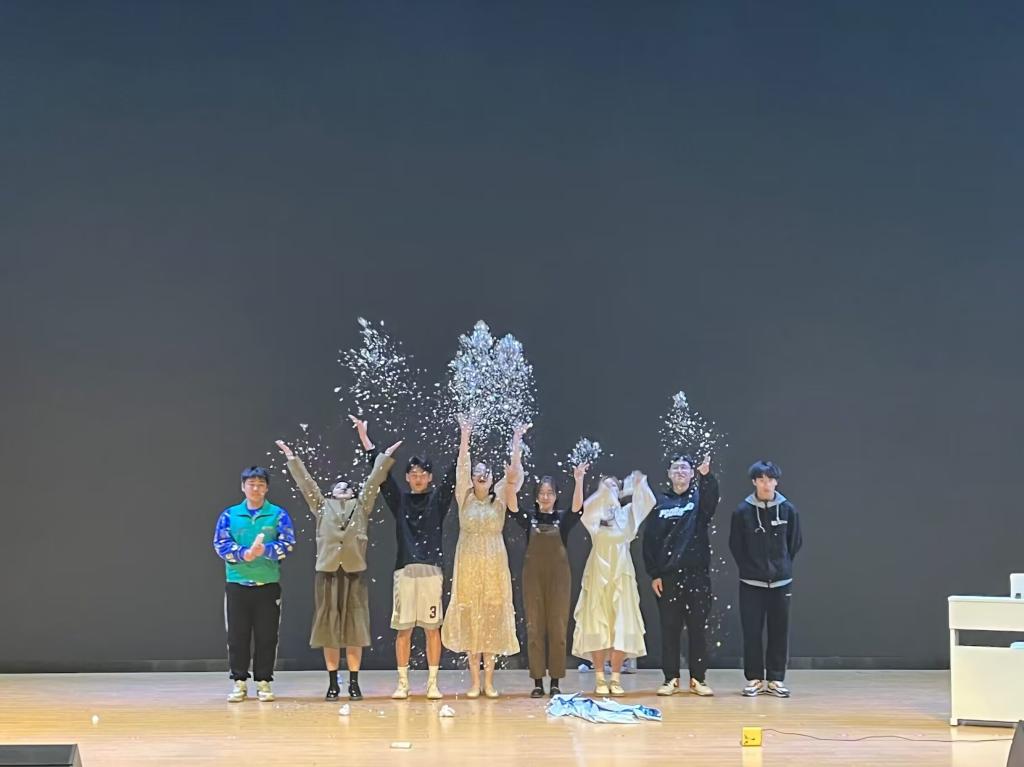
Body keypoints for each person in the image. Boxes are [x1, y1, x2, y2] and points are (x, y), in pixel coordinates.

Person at [276, 424, 401, 701]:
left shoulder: (362, 505)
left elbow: (373, 481)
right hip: (328, 572)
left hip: (355, 572)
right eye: (338, 485)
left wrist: (385, 456)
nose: (344, 486)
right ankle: (333, 682)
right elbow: (306, 485)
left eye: (348, 486)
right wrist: (292, 457)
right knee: (328, 626)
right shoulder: (322, 506)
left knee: (355, 626)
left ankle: (354, 682)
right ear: (332, 492)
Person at [354, 417, 457, 700]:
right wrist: (366, 441)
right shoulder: (400, 501)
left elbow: (453, 476)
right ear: (408, 477)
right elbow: (381, 478)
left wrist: (465, 438)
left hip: (432, 572)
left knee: (432, 629)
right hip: (405, 571)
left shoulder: (437, 500)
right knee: (403, 629)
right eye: (413, 473)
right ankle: (403, 683)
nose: (418, 477)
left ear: (430, 477)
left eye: (423, 473)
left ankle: (432, 683)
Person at [441, 418, 526, 698]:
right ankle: (474, 682)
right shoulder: (463, 497)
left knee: (490, 615)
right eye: (477, 472)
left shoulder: (500, 496)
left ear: (491, 479)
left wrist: (516, 441)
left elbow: (515, 475)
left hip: (493, 562)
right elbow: (461, 467)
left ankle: (489, 681)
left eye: (485, 473)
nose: (480, 475)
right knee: (471, 616)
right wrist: (465, 435)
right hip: (468, 561)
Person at [213, 466, 296, 703]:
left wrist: (265, 550)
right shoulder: (230, 515)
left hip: (267, 585)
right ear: (243, 487)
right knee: (237, 636)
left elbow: (288, 543)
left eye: (260, 484)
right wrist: (243, 554)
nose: (256, 489)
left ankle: (264, 682)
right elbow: (220, 544)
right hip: (237, 584)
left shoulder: (277, 514)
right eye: (251, 484)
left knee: (267, 636)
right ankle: (239, 682)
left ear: (266, 488)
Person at [572, 471, 656, 696]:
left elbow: (647, 502)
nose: (610, 490)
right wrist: (602, 493)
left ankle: (616, 678)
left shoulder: (627, 513)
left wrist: (639, 483)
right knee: (597, 622)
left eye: (614, 486)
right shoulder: (595, 513)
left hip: (621, 572)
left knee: (622, 622)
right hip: (598, 572)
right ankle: (600, 677)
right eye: (606, 486)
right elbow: (584, 510)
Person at [643, 454, 720, 697]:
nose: (680, 471)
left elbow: (711, 500)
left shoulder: (698, 499)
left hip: (697, 576)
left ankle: (698, 679)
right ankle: (671, 678)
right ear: (669, 473)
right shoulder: (659, 503)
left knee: (698, 628)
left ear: (691, 473)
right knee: (669, 629)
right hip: (668, 577)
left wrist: (707, 476)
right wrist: (655, 573)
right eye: (675, 468)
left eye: (685, 468)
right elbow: (650, 540)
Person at [512, 463, 587, 698]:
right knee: (534, 628)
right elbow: (512, 507)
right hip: (532, 578)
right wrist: (511, 480)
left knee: (558, 628)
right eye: (542, 493)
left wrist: (579, 480)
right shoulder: (529, 518)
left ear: (555, 496)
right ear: (536, 497)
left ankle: (555, 682)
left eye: (550, 493)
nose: (545, 497)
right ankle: (537, 682)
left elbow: (577, 508)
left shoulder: (562, 519)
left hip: (559, 580)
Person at [729, 460, 802, 698]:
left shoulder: (788, 510)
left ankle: (775, 679)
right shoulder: (742, 511)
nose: (766, 484)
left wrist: (782, 566)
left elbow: (794, 542)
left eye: (770, 479)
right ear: (754, 482)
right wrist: (751, 568)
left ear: (776, 482)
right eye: (761, 479)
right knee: (752, 632)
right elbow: (736, 545)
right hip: (751, 584)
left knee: (779, 631)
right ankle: (754, 679)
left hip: (781, 583)